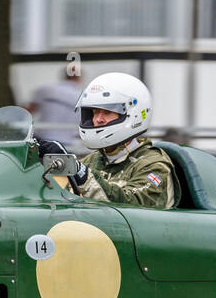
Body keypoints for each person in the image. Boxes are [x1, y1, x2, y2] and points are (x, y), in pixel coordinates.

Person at [37, 72, 180, 209]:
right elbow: (66, 199)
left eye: (107, 112)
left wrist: (80, 173)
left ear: (133, 114)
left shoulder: (154, 166)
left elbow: (132, 204)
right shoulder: (94, 160)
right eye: (94, 112)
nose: (97, 120)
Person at [27, 64, 86, 154]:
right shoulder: (84, 96)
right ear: (79, 78)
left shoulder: (45, 89)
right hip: (67, 145)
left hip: (41, 141)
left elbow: (28, 111)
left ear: (64, 75)